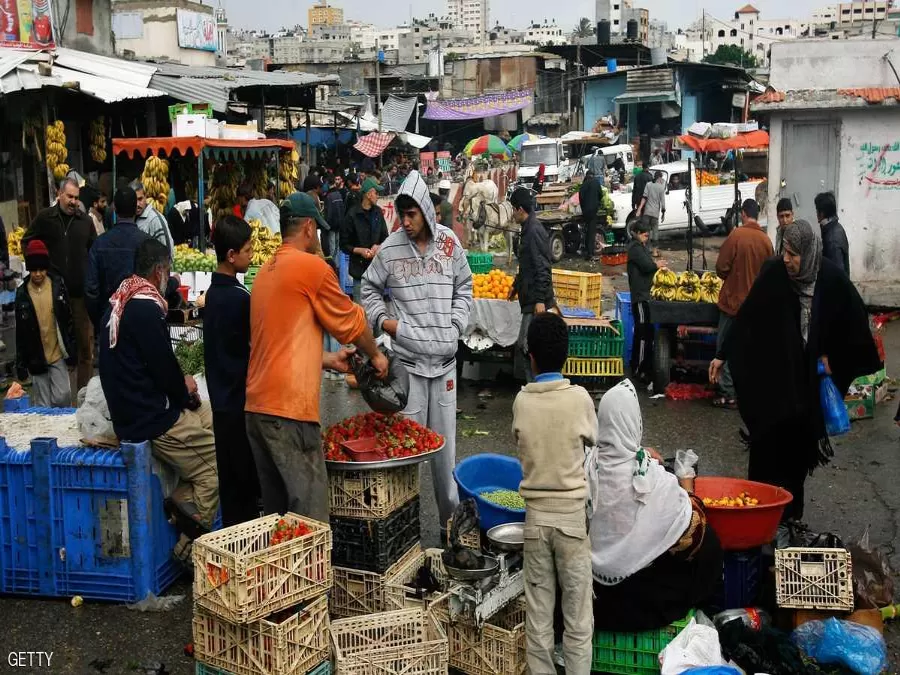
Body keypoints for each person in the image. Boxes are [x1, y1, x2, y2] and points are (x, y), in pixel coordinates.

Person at [710, 220, 880, 520]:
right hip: (773, 387)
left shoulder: (831, 280)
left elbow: (857, 331)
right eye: (785, 251)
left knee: (795, 461)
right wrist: (722, 355)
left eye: (794, 254)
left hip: (805, 391)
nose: (786, 259)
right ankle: (760, 519)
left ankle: (790, 518)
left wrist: (835, 360)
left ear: (809, 253)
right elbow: (747, 317)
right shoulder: (774, 273)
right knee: (765, 456)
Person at [245, 192, 388, 521]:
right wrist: (376, 356)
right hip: (288, 412)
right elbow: (352, 324)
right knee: (310, 520)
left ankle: (282, 574)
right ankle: (312, 574)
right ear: (309, 228)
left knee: (280, 520)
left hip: (257, 410)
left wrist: (326, 360)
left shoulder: (266, 270)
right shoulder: (312, 268)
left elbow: (273, 342)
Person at [362, 171, 473, 530]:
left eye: (412, 215)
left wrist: (455, 325)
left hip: (444, 367)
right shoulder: (391, 249)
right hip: (408, 368)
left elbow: (465, 285)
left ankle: (450, 528)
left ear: (426, 210)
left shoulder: (449, 244)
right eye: (402, 214)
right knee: (405, 454)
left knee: (444, 454)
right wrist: (386, 324)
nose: (406, 222)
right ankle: (402, 531)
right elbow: (369, 289)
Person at [99, 239, 218, 549]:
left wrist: (186, 392)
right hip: (150, 419)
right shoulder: (144, 310)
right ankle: (190, 549)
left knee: (208, 414)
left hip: (132, 410)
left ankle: (180, 501)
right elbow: (166, 373)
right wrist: (185, 390)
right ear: (159, 271)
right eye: (168, 271)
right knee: (217, 466)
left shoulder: (120, 301)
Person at [587, 379, 723, 631]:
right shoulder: (651, 477)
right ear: (635, 424)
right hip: (640, 604)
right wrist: (687, 487)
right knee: (709, 543)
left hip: (597, 596)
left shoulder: (587, 465)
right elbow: (692, 538)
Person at [513, 312, 597, 673]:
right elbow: (594, 440)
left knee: (539, 619)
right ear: (566, 356)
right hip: (572, 523)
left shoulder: (521, 401)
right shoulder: (579, 399)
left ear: (530, 356)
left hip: (535, 523)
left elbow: (521, 443)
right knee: (577, 619)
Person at [204, 216, 259, 527]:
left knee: (230, 482)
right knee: (244, 488)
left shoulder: (213, 294)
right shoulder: (238, 299)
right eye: (248, 250)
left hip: (221, 400)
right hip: (239, 401)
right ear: (231, 255)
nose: (252, 256)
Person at [24, 177, 96, 397]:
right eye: (70, 197)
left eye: (76, 198)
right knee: (58, 346)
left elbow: (94, 253)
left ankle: (83, 397)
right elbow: (27, 241)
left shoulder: (86, 222)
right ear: (59, 194)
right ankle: (60, 398)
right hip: (53, 296)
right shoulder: (46, 218)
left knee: (85, 349)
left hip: (80, 296)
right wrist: (40, 268)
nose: (74, 202)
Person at [713, 199, 773, 409]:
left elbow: (721, 267)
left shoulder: (736, 235)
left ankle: (727, 393)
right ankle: (744, 390)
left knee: (725, 347)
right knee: (746, 349)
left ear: (744, 214)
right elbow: (770, 274)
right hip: (755, 306)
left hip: (732, 302)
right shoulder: (766, 241)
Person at [15, 240, 76, 408]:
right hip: (36, 356)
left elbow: (67, 320)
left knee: (63, 396)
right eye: (34, 270)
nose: (38, 274)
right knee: (43, 404)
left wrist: (72, 351)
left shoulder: (57, 287)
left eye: (41, 269)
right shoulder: (22, 294)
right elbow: (20, 332)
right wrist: (20, 364)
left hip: (57, 353)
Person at [85, 187, 152, 330]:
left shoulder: (99, 244)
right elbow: (156, 285)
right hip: (141, 324)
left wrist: (101, 321)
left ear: (114, 208)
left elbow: (91, 290)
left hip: (109, 324)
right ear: (135, 208)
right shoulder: (147, 243)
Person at [509, 187, 556, 383]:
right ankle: (534, 386)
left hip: (536, 299)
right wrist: (516, 285)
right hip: (528, 295)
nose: (512, 214)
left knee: (526, 346)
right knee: (528, 346)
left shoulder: (534, 230)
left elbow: (543, 268)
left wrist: (539, 300)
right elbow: (527, 266)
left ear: (520, 209)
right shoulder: (527, 229)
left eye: (513, 209)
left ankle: (534, 387)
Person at [627, 220, 667, 385]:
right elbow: (646, 266)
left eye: (647, 234)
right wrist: (656, 264)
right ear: (636, 233)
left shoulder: (640, 247)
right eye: (644, 234)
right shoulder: (635, 248)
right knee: (643, 333)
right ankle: (639, 369)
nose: (646, 236)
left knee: (646, 331)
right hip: (640, 296)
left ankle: (640, 366)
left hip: (645, 295)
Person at [341, 176, 388, 301]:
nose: (378, 196)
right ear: (368, 194)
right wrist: (359, 250)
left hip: (377, 271)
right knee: (361, 312)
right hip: (359, 272)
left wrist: (378, 247)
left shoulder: (378, 212)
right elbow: (344, 244)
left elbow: (385, 237)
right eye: (376, 193)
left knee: (377, 312)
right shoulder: (352, 215)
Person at [132, 181, 175, 261]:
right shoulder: (132, 218)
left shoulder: (155, 219)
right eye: (134, 200)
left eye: (140, 199)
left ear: (146, 197)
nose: (137, 204)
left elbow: (167, 251)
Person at [815, 192, 849, 276]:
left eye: (817, 210)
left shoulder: (832, 239)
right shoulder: (835, 227)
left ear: (821, 213)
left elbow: (837, 273)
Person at [636, 172, 666, 257]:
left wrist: (639, 209)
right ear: (659, 178)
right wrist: (663, 213)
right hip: (655, 214)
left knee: (646, 232)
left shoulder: (648, 185)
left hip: (647, 212)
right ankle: (655, 252)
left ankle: (646, 250)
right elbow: (663, 203)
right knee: (655, 232)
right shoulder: (661, 188)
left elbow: (644, 198)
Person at [578, 170, 604, 261]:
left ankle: (586, 250)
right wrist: (598, 203)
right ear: (592, 176)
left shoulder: (583, 185)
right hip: (593, 210)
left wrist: (583, 208)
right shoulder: (596, 183)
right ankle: (590, 254)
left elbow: (580, 197)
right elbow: (601, 195)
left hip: (586, 211)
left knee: (587, 229)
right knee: (591, 232)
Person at [323, 175, 346, 266]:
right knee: (337, 246)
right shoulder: (339, 194)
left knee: (332, 247)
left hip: (332, 225)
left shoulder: (328, 197)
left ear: (328, 184)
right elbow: (342, 209)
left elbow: (328, 213)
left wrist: (326, 226)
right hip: (339, 224)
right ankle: (337, 265)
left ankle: (332, 267)